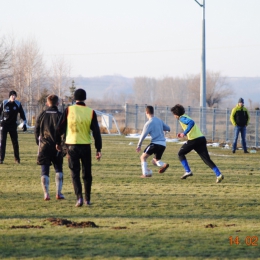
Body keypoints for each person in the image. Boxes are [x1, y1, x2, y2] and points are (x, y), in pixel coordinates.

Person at [56, 89, 102, 207]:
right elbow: (96, 132)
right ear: (85, 98)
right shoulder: (90, 112)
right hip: (86, 146)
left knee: (74, 173)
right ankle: (87, 199)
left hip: (72, 146)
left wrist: (58, 143)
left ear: (74, 98)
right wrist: (98, 149)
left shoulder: (68, 110)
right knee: (87, 174)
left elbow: (59, 128)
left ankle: (79, 198)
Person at [170, 104, 224, 183]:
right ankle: (218, 174)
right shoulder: (185, 116)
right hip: (201, 138)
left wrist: (184, 133)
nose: (174, 116)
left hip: (194, 140)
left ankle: (188, 171)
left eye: (174, 114)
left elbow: (191, 123)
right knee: (206, 159)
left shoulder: (181, 118)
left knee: (180, 154)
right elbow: (191, 125)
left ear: (176, 114)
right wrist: (183, 133)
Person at [34, 94, 65, 201]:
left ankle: (46, 194)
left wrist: (39, 144)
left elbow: (36, 130)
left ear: (47, 103)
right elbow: (64, 132)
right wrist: (62, 145)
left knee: (44, 170)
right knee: (58, 169)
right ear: (58, 103)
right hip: (57, 147)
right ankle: (58, 193)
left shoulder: (42, 115)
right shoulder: (61, 115)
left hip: (44, 146)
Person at [136, 105, 170, 178]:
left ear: (147, 112)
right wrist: (161, 129)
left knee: (143, 157)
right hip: (163, 144)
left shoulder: (149, 123)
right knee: (155, 161)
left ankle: (145, 174)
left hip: (155, 144)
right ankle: (163, 164)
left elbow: (143, 135)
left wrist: (139, 145)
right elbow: (168, 128)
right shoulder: (159, 120)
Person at [0, 90, 27, 164]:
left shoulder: (17, 104)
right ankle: (1, 159)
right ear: (10, 96)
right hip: (4, 125)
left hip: (13, 125)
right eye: (12, 95)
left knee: (15, 143)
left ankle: (17, 159)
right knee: (2, 142)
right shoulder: (4, 103)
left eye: (15, 95)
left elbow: (22, 114)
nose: (14, 97)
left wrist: (24, 123)